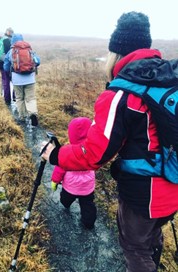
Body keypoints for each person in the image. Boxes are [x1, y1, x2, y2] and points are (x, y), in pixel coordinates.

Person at [41, 11, 178, 272]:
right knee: (150, 238)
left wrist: (56, 156)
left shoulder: (122, 92)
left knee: (135, 249)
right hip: (173, 185)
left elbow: (93, 154)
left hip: (144, 194)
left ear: (116, 52)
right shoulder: (167, 77)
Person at [51, 117, 97, 229]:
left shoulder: (67, 152)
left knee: (65, 199)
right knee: (88, 205)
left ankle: (65, 203)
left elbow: (59, 168)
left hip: (70, 187)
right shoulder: (93, 151)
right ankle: (89, 222)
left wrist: (54, 181)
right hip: (87, 187)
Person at [3, 33, 40, 126]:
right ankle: (32, 113)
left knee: (19, 98)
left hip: (17, 80)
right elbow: (37, 61)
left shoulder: (11, 52)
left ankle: (22, 117)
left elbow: (6, 68)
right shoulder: (29, 49)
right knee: (30, 98)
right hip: (30, 79)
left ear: (12, 41)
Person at [0, 27, 15, 105]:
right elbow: (9, 54)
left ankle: (7, 99)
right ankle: (14, 97)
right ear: (10, 33)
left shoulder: (0, 39)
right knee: (14, 80)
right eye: (11, 32)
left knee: (5, 81)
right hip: (6, 64)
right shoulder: (7, 40)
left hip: (0, 64)